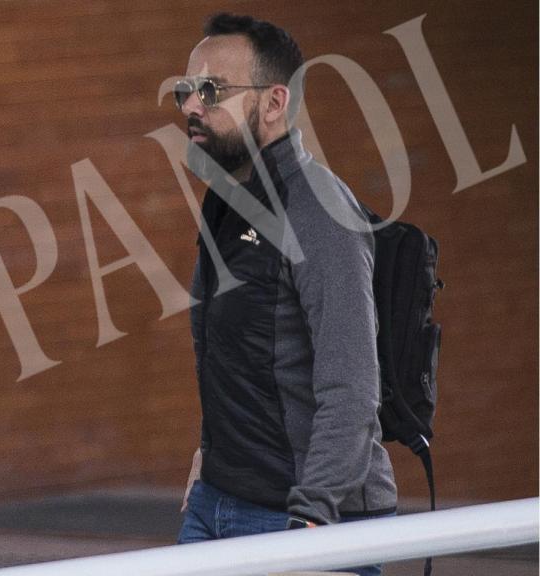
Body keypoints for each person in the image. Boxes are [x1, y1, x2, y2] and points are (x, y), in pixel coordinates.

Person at [175, 13, 397, 576]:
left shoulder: (319, 211)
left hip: (301, 519)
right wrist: (209, 456)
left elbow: (351, 388)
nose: (191, 106)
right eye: (185, 90)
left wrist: (312, 524)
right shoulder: (225, 200)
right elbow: (226, 353)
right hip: (215, 505)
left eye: (210, 90)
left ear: (274, 102)